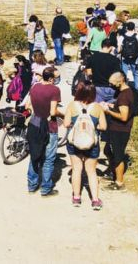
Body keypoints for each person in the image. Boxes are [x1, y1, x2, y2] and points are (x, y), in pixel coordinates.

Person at [63, 81, 107, 210]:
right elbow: (104, 126)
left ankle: (76, 197)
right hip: (92, 143)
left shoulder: (72, 105)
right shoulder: (98, 107)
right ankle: (95, 200)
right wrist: (93, 126)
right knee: (91, 172)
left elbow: (65, 124)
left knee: (76, 169)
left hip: (74, 143)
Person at [25, 67, 62, 197]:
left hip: (34, 124)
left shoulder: (34, 87)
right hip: (49, 126)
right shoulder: (55, 90)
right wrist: (62, 114)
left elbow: (27, 106)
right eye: (56, 77)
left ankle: (32, 185)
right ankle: (46, 188)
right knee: (49, 159)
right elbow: (53, 112)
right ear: (51, 78)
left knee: (34, 155)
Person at [101, 71, 135, 191]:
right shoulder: (124, 92)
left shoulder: (125, 96)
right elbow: (121, 108)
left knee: (118, 156)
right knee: (107, 150)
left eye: (112, 83)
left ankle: (119, 183)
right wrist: (112, 106)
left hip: (120, 130)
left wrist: (108, 111)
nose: (111, 86)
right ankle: (112, 172)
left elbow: (123, 116)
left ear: (120, 81)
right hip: (116, 128)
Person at [117, 22, 138, 93]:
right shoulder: (137, 35)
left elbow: (119, 49)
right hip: (135, 57)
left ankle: (124, 88)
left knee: (124, 73)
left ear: (126, 28)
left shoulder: (122, 37)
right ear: (134, 28)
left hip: (125, 57)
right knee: (135, 73)